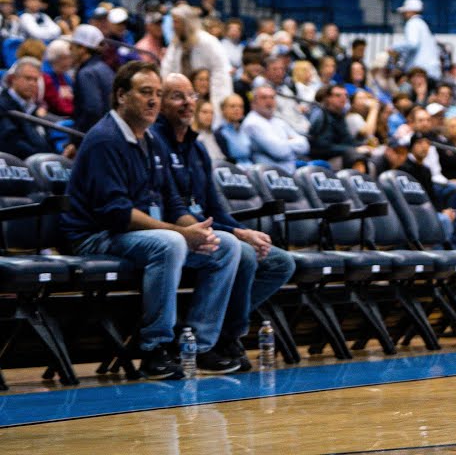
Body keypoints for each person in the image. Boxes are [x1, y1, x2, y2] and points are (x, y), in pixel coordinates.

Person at [60, 61, 240, 379]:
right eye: (145, 92)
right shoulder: (105, 140)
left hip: (138, 233)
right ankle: (155, 349)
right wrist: (180, 234)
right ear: (121, 96)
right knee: (169, 244)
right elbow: (117, 214)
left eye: (157, 93)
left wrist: (196, 230)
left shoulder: (151, 140)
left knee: (224, 246)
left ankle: (198, 346)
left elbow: (171, 200)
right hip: (96, 236)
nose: (154, 100)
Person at [151, 73, 295, 371]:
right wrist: (236, 235)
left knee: (281, 262)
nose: (187, 102)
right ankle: (213, 340)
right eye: (177, 96)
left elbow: (215, 207)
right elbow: (172, 208)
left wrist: (243, 230)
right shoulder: (154, 142)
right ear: (160, 103)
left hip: (209, 229)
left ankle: (219, 329)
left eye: (191, 96)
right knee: (241, 252)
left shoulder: (197, 148)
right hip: (174, 232)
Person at [161, 5, 232, 112]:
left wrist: (217, 104)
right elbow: (167, 71)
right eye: (173, 22)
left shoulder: (208, 42)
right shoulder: (175, 45)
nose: (173, 26)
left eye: (177, 22)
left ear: (186, 23)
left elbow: (221, 73)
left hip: (207, 99)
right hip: (183, 98)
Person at [0, 57, 64, 158]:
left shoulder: (34, 109)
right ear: (13, 79)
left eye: (35, 80)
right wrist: (43, 156)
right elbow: (11, 141)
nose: (32, 84)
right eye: (28, 78)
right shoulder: (3, 106)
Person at [241, 85, 309, 172]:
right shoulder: (252, 123)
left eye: (272, 97)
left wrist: (283, 144)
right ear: (253, 102)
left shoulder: (278, 121)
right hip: (267, 174)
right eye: (264, 98)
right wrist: (291, 143)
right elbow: (280, 152)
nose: (269, 101)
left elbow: (305, 145)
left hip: (289, 172)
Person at [70, 24, 115, 134]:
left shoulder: (86, 73)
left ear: (82, 48)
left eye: (72, 46)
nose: (69, 50)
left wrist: (76, 138)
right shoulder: (105, 67)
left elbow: (92, 110)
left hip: (94, 135)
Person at [389, 0, 441, 82]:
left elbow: (412, 44)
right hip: (431, 71)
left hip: (420, 72)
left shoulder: (412, 23)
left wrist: (393, 47)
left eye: (405, 12)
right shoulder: (423, 24)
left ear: (410, 11)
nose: (403, 15)